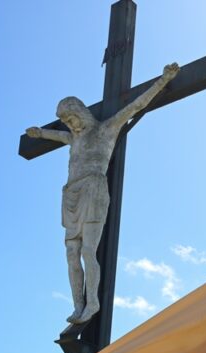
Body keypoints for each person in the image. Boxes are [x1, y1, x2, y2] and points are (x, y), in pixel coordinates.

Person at [26, 63, 180, 325]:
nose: (71, 125)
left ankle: (93, 301)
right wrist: (40, 133)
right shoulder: (73, 138)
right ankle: (78, 305)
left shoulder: (106, 129)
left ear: (82, 112)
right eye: (67, 122)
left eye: (72, 118)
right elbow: (55, 135)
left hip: (94, 191)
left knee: (88, 251)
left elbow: (135, 106)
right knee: (71, 252)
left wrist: (163, 81)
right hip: (71, 195)